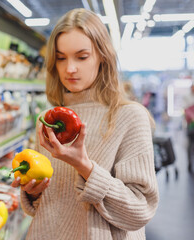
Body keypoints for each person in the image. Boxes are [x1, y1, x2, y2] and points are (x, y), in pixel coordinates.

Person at [11, 8, 159, 239]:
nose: (70, 68)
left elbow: (139, 210)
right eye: (61, 58)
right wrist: (34, 192)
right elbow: (53, 204)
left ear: (102, 56)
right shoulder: (50, 118)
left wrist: (85, 167)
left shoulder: (130, 116)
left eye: (81, 57)